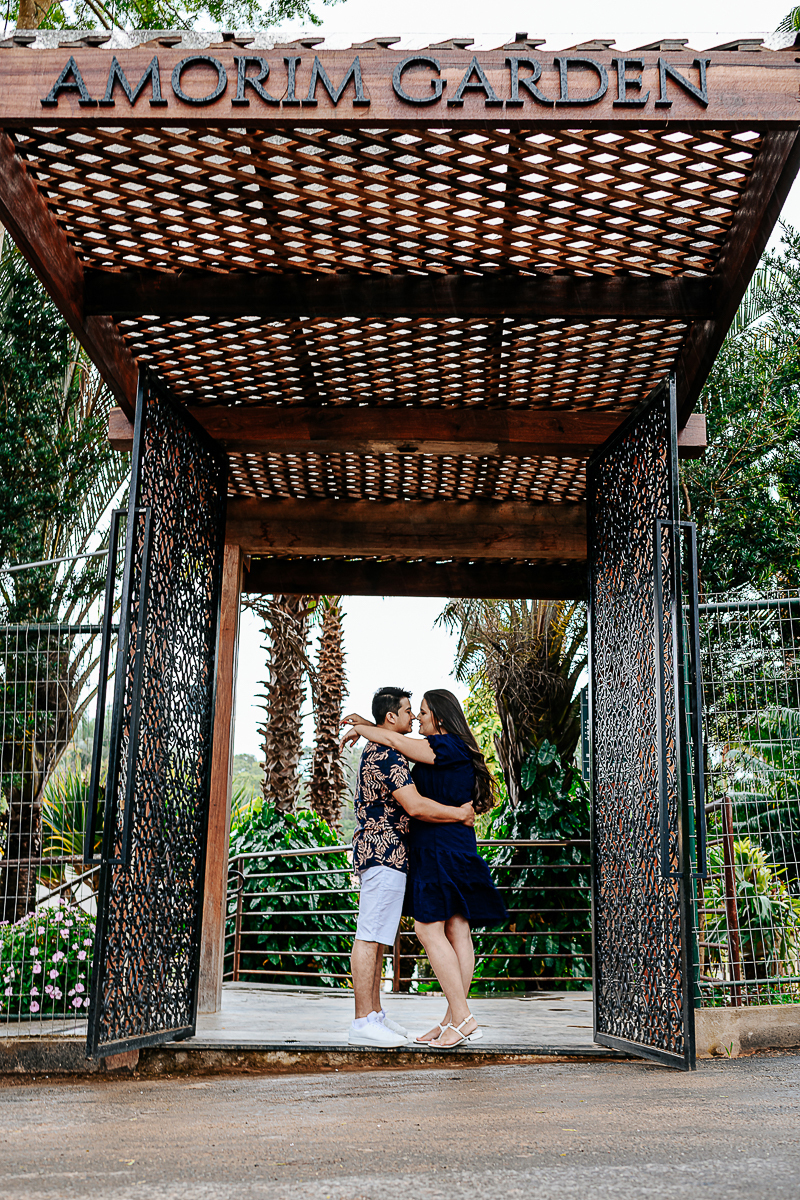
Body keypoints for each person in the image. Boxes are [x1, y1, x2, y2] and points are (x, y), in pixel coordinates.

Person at [343, 689, 507, 1048]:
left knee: (429, 929)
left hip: (439, 848)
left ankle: (461, 1017)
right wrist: (369, 726)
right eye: (410, 712)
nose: (417, 719)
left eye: (422, 713)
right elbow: (391, 737)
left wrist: (363, 726)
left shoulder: (442, 747)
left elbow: (415, 802)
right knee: (456, 931)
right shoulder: (445, 748)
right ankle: (452, 1020)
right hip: (449, 846)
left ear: (441, 717)